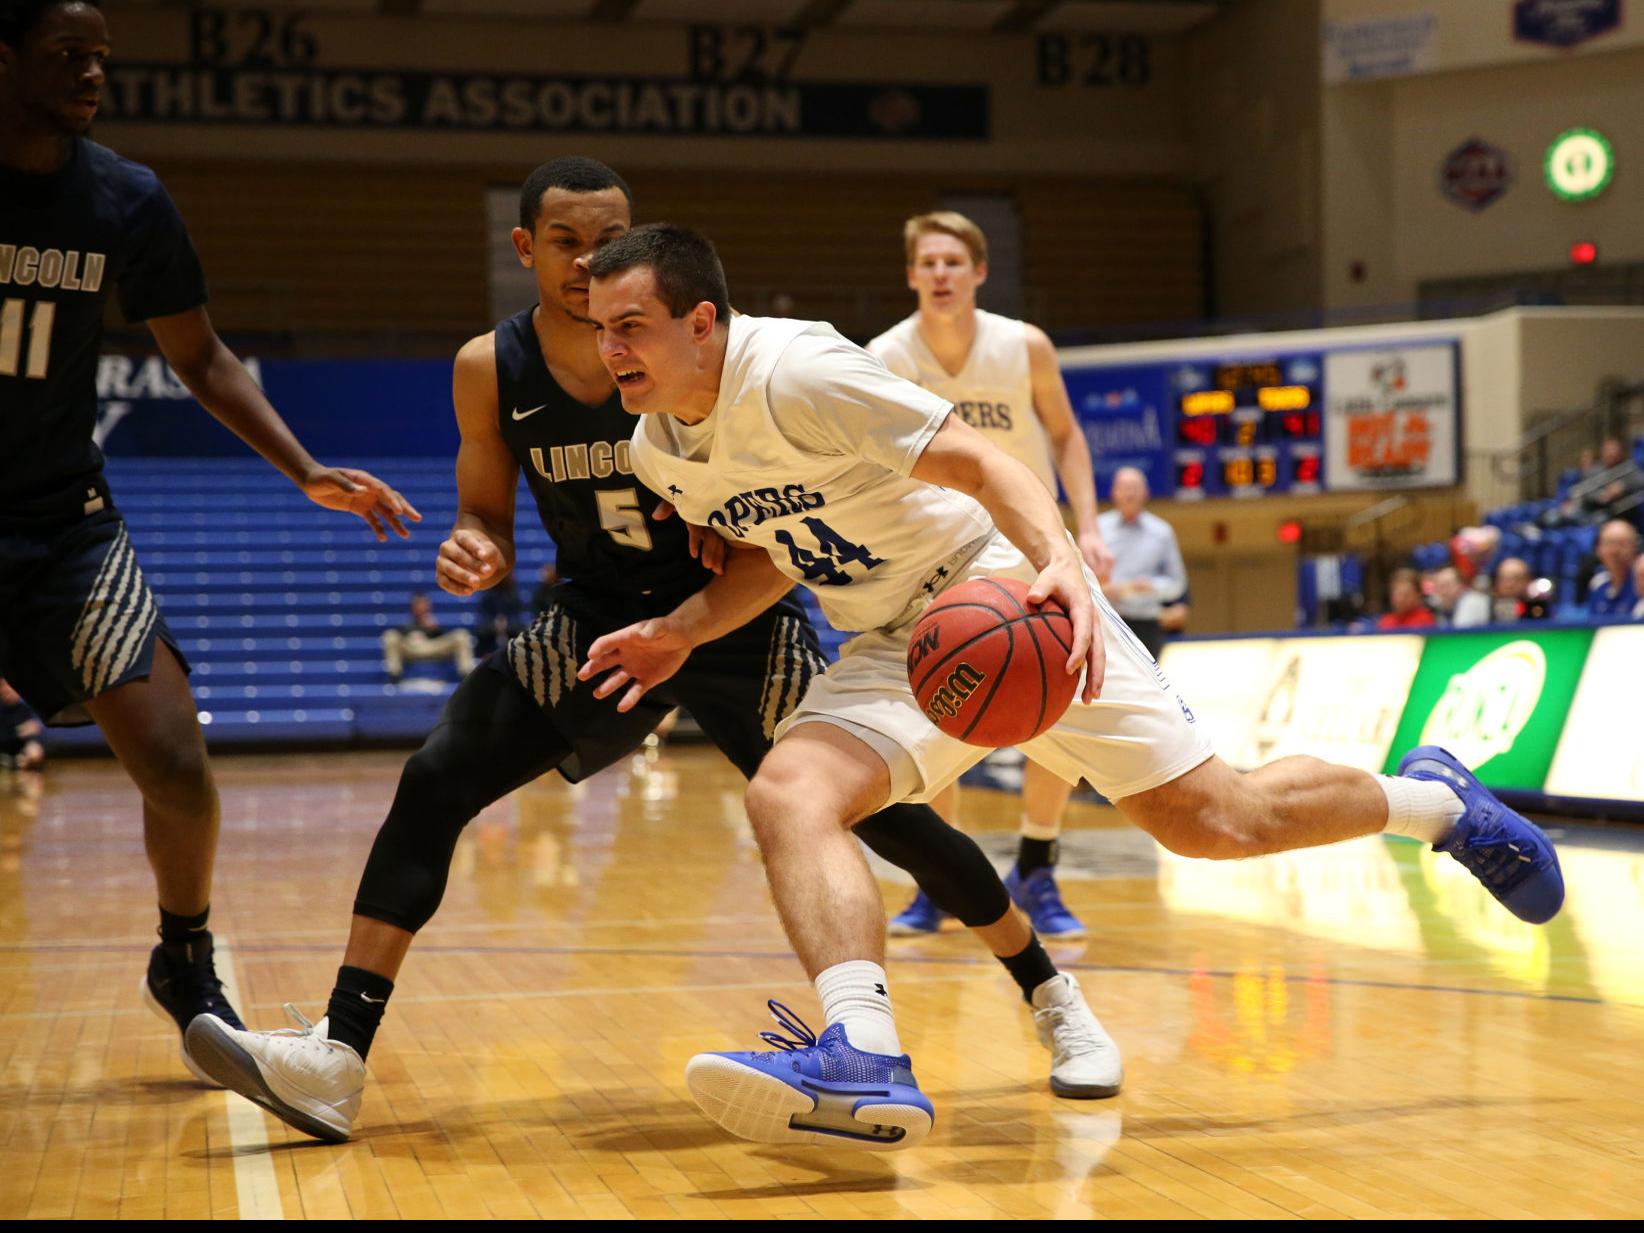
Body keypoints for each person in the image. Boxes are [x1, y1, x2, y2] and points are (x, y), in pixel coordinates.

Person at [573, 224, 1564, 1153]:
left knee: (1218, 821)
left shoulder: (798, 370)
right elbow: (777, 554)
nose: (611, 348)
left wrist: (1058, 565)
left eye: (631, 325)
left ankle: (1437, 803)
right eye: (600, 327)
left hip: (1001, 589)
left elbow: (984, 462)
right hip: (895, 639)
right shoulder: (658, 451)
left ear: (701, 322)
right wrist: (681, 630)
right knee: (790, 792)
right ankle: (863, 1057)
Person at [184, 159, 1118, 1144]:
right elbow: (486, 515)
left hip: (734, 611)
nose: (589, 262)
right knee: (436, 776)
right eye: (566, 243)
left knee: (889, 819)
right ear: (524, 248)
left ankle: (1053, 998)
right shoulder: (490, 367)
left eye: (609, 240)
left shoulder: (689, 346)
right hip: (599, 620)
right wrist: (475, 546)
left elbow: (780, 495)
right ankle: (338, 1053)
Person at [0, 0, 417, 1078]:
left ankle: (183, 955)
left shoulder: (123, 198)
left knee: (178, 763)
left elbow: (202, 356)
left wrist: (305, 468)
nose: (93, 74)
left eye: (102, 56)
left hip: (62, 525)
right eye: (68, 55)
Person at [867, 211, 1115, 941]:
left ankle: (1036, 863)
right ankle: (943, 880)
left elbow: (1065, 434)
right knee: (935, 709)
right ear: (911, 275)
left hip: (1032, 546)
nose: (940, 273)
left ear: (978, 271)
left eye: (953, 261)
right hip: (937, 553)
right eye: (928, 263)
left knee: (1060, 704)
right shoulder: (884, 355)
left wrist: (1089, 525)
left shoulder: (1023, 344)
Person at [1098, 468, 1188, 659]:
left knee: (1149, 677)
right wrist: (1101, 589)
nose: (1130, 494)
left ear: (1145, 493)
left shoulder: (1162, 532)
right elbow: (1082, 576)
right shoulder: (1098, 530)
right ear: (1114, 493)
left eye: (1134, 488)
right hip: (1109, 621)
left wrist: (1153, 587)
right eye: (1124, 488)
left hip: (1148, 623)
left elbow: (1178, 583)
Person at [380, 592, 475, 683]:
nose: (421, 607)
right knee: (390, 635)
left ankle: (466, 675)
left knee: (461, 635)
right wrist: (411, 634)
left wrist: (435, 629)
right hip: (412, 649)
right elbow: (399, 637)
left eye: (423, 603)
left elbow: (443, 639)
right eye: (418, 604)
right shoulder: (406, 625)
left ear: (428, 605)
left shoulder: (434, 624)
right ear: (413, 607)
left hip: (434, 648)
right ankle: (394, 676)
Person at [1587, 519, 1639, 617]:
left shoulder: (1641, 582)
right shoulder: (1598, 583)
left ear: (1634, 547)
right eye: (1609, 544)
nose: (1614, 551)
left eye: (1621, 544)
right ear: (1598, 550)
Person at [0, 678, 45, 771]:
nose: (8, 690)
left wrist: (33, 740)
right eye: (5, 687)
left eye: (12, 687)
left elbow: (35, 732)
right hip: (3, 751)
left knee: (35, 751)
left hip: (20, 751)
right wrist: (18, 732)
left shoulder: (25, 709)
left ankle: (18, 763)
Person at [1491, 557, 1532, 624]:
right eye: (1504, 579)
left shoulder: (1539, 610)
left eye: (1517, 578)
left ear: (1528, 581)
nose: (1509, 585)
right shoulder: (1484, 609)